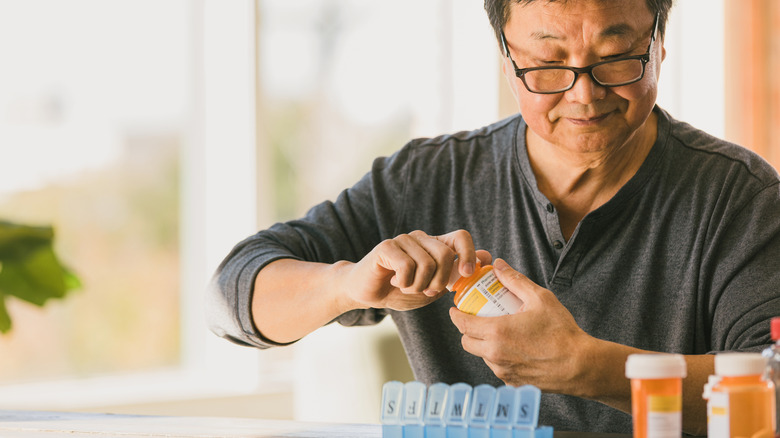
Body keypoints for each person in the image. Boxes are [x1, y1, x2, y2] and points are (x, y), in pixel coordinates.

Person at [207, 0, 780, 434]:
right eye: (548, 64)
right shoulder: (425, 180)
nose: (584, 95)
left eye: (615, 57)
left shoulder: (739, 198)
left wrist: (591, 368)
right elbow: (230, 294)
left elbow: (772, 389)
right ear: (508, 60)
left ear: (659, 43)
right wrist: (348, 283)